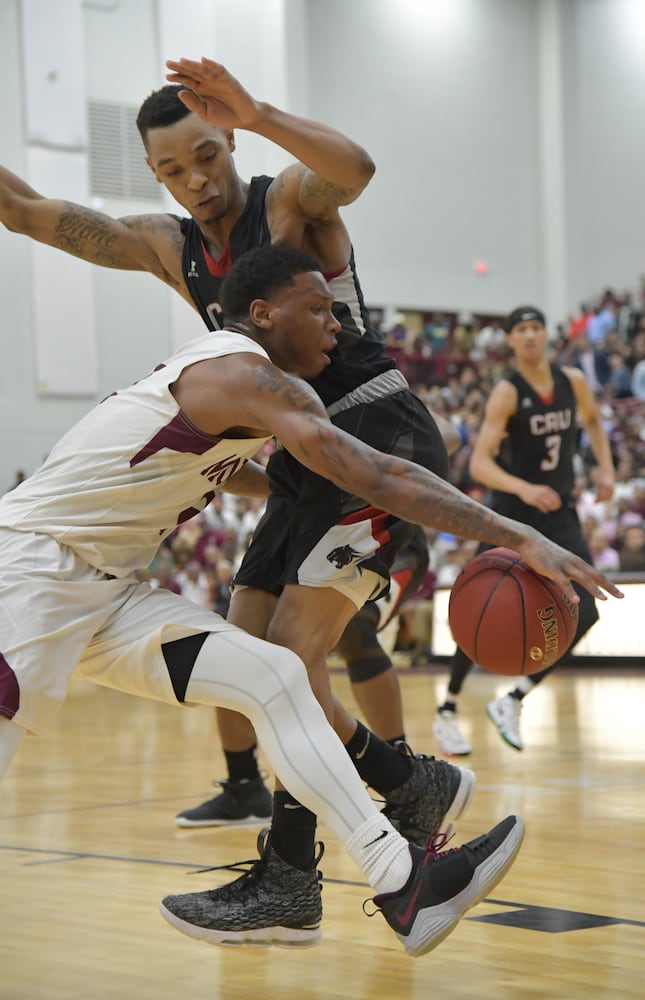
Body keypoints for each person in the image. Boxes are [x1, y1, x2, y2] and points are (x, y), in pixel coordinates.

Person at [0, 57, 454, 833]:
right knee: (253, 648)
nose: (197, 179)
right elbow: (25, 210)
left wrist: (261, 113)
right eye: (175, 169)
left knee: (305, 650)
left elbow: (354, 170)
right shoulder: (165, 245)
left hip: (370, 428)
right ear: (154, 174)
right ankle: (337, 790)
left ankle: (337, 830)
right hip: (299, 459)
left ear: (230, 144)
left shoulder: (286, 202)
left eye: (208, 155)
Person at [433, 306, 616, 757]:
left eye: (537, 327)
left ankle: (512, 699)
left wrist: (607, 469)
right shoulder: (506, 392)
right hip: (513, 515)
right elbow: (479, 464)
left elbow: (593, 421)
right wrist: (526, 489)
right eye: (521, 330)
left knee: (587, 609)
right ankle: (448, 709)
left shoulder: (571, 381)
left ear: (546, 336)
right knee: (480, 604)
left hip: (560, 513)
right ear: (510, 342)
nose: (531, 335)